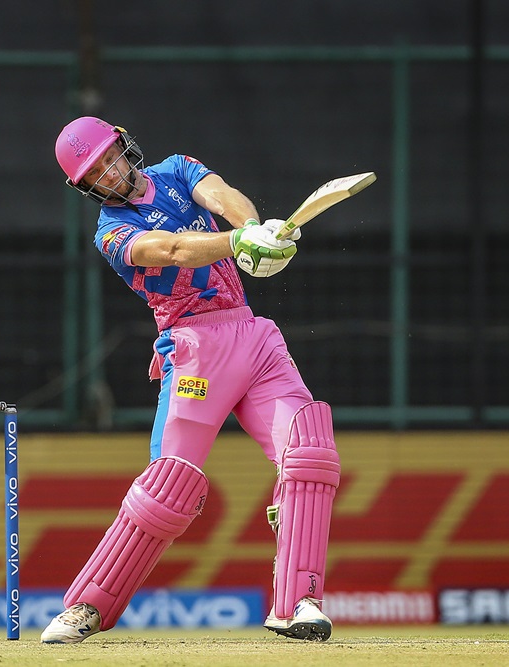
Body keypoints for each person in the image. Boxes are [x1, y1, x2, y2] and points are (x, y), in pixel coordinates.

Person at [41, 117, 341, 644]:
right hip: (195, 352)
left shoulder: (177, 169)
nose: (111, 175)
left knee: (309, 453)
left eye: (111, 158)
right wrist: (239, 242)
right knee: (168, 489)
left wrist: (257, 229)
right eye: (96, 174)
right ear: (86, 188)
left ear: (123, 145)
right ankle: (88, 605)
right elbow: (174, 251)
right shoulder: (111, 232)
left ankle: (300, 602)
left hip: (254, 336)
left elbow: (225, 199)